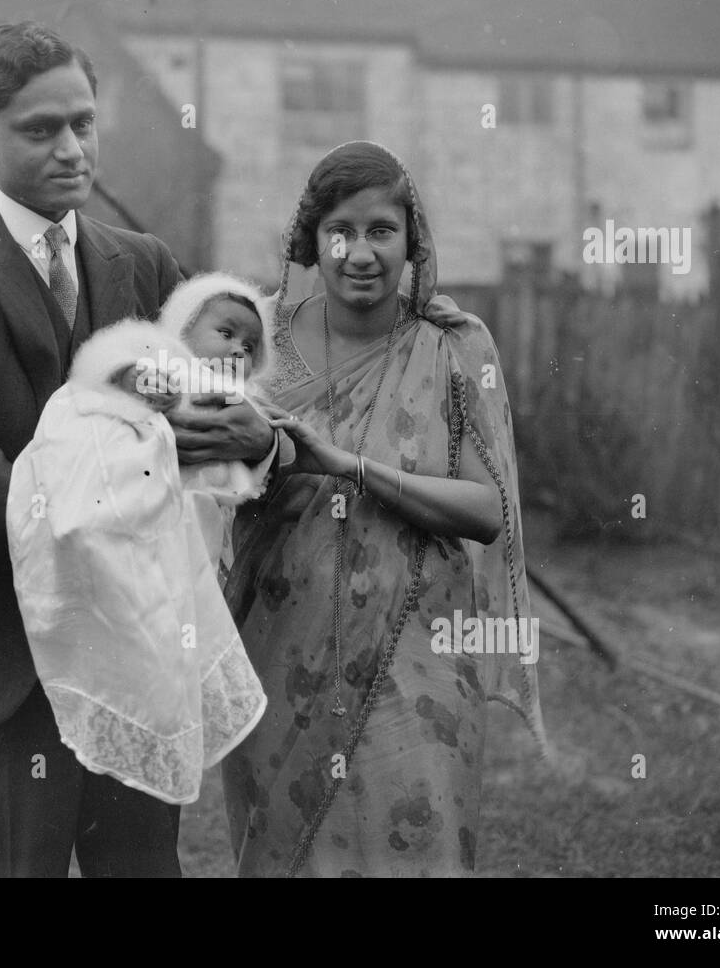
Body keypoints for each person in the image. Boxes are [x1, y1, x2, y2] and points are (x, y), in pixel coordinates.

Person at [0, 20, 275, 878]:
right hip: (4, 653)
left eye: (84, 124)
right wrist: (114, 505)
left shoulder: (144, 263)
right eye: (40, 129)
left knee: (140, 868)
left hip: (134, 648)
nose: (71, 148)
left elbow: (214, 418)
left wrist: (253, 444)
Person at [222, 140, 549, 878]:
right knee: (292, 851)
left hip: (419, 657)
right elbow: (211, 477)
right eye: (340, 230)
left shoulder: (450, 349)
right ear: (311, 240)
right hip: (281, 654)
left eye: (381, 230)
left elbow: (485, 509)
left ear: (411, 241)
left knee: (416, 843)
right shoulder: (258, 339)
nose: (360, 252)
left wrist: (349, 467)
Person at [3, 274, 279, 807]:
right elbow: (107, 378)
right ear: (181, 327)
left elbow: (239, 472)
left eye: (250, 347)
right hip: (115, 489)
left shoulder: (235, 403)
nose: (237, 350)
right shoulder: (160, 362)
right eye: (225, 332)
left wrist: (251, 447)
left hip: (180, 540)